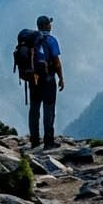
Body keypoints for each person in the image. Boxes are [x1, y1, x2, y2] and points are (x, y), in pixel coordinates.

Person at [28, 14, 64, 150]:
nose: (51, 25)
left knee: (34, 109)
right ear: (46, 26)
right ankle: (48, 142)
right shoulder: (51, 40)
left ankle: (34, 140)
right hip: (48, 80)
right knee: (48, 110)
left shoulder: (32, 40)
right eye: (49, 23)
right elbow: (57, 63)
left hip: (33, 79)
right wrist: (61, 78)